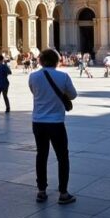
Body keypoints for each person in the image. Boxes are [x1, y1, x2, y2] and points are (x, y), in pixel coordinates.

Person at [28, 48, 77, 205]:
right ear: (57, 61)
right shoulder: (63, 76)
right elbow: (73, 95)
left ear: (40, 61)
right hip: (56, 122)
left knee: (41, 156)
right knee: (62, 157)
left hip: (38, 122)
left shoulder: (33, 76)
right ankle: (63, 193)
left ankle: (41, 191)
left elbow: (34, 92)